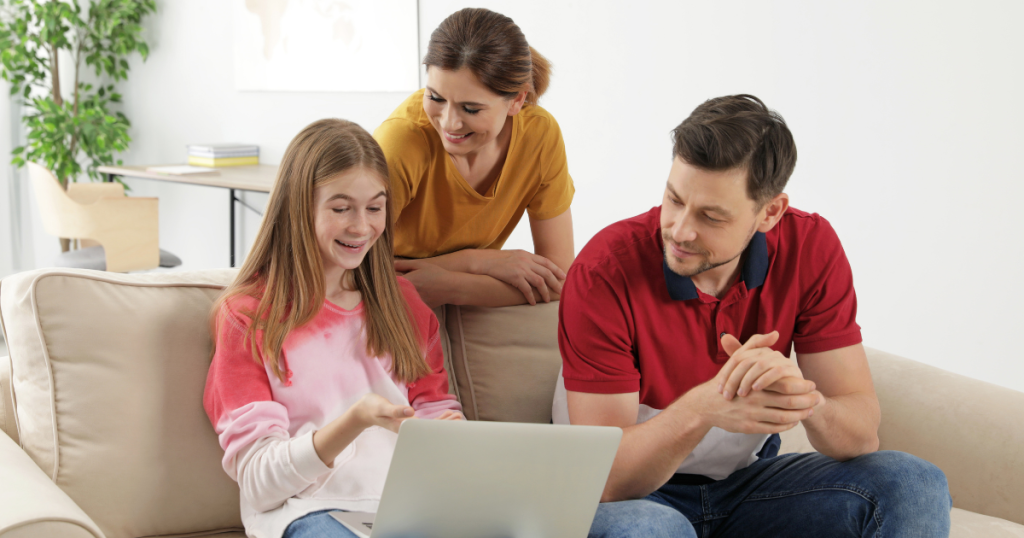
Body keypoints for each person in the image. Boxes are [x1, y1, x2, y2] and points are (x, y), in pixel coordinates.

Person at [553, 95, 951, 537]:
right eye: (674, 199)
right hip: (632, 498)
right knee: (653, 529)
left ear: (770, 212)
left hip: (746, 489)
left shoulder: (810, 248)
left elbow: (861, 437)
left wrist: (806, 401)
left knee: (913, 483)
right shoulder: (605, 271)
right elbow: (606, 478)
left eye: (711, 216)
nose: (680, 230)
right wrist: (706, 406)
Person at [203, 119, 463, 538]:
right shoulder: (248, 316)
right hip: (312, 512)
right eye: (341, 209)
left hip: (411, 508)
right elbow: (259, 483)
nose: (361, 227)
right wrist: (355, 420)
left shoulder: (402, 304)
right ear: (298, 209)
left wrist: (453, 437)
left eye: (375, 208)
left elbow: (435, 411)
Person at [374, 7, 575, 308]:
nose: (448, 123)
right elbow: (347, 271)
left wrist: (451, 285)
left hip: (462, 294)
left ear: (517, 100)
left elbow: (557, 279)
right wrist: (478, 262)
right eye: (435, 97)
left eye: (470, 109)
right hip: (388, 298)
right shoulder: (400, 143)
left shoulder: (539, 135)